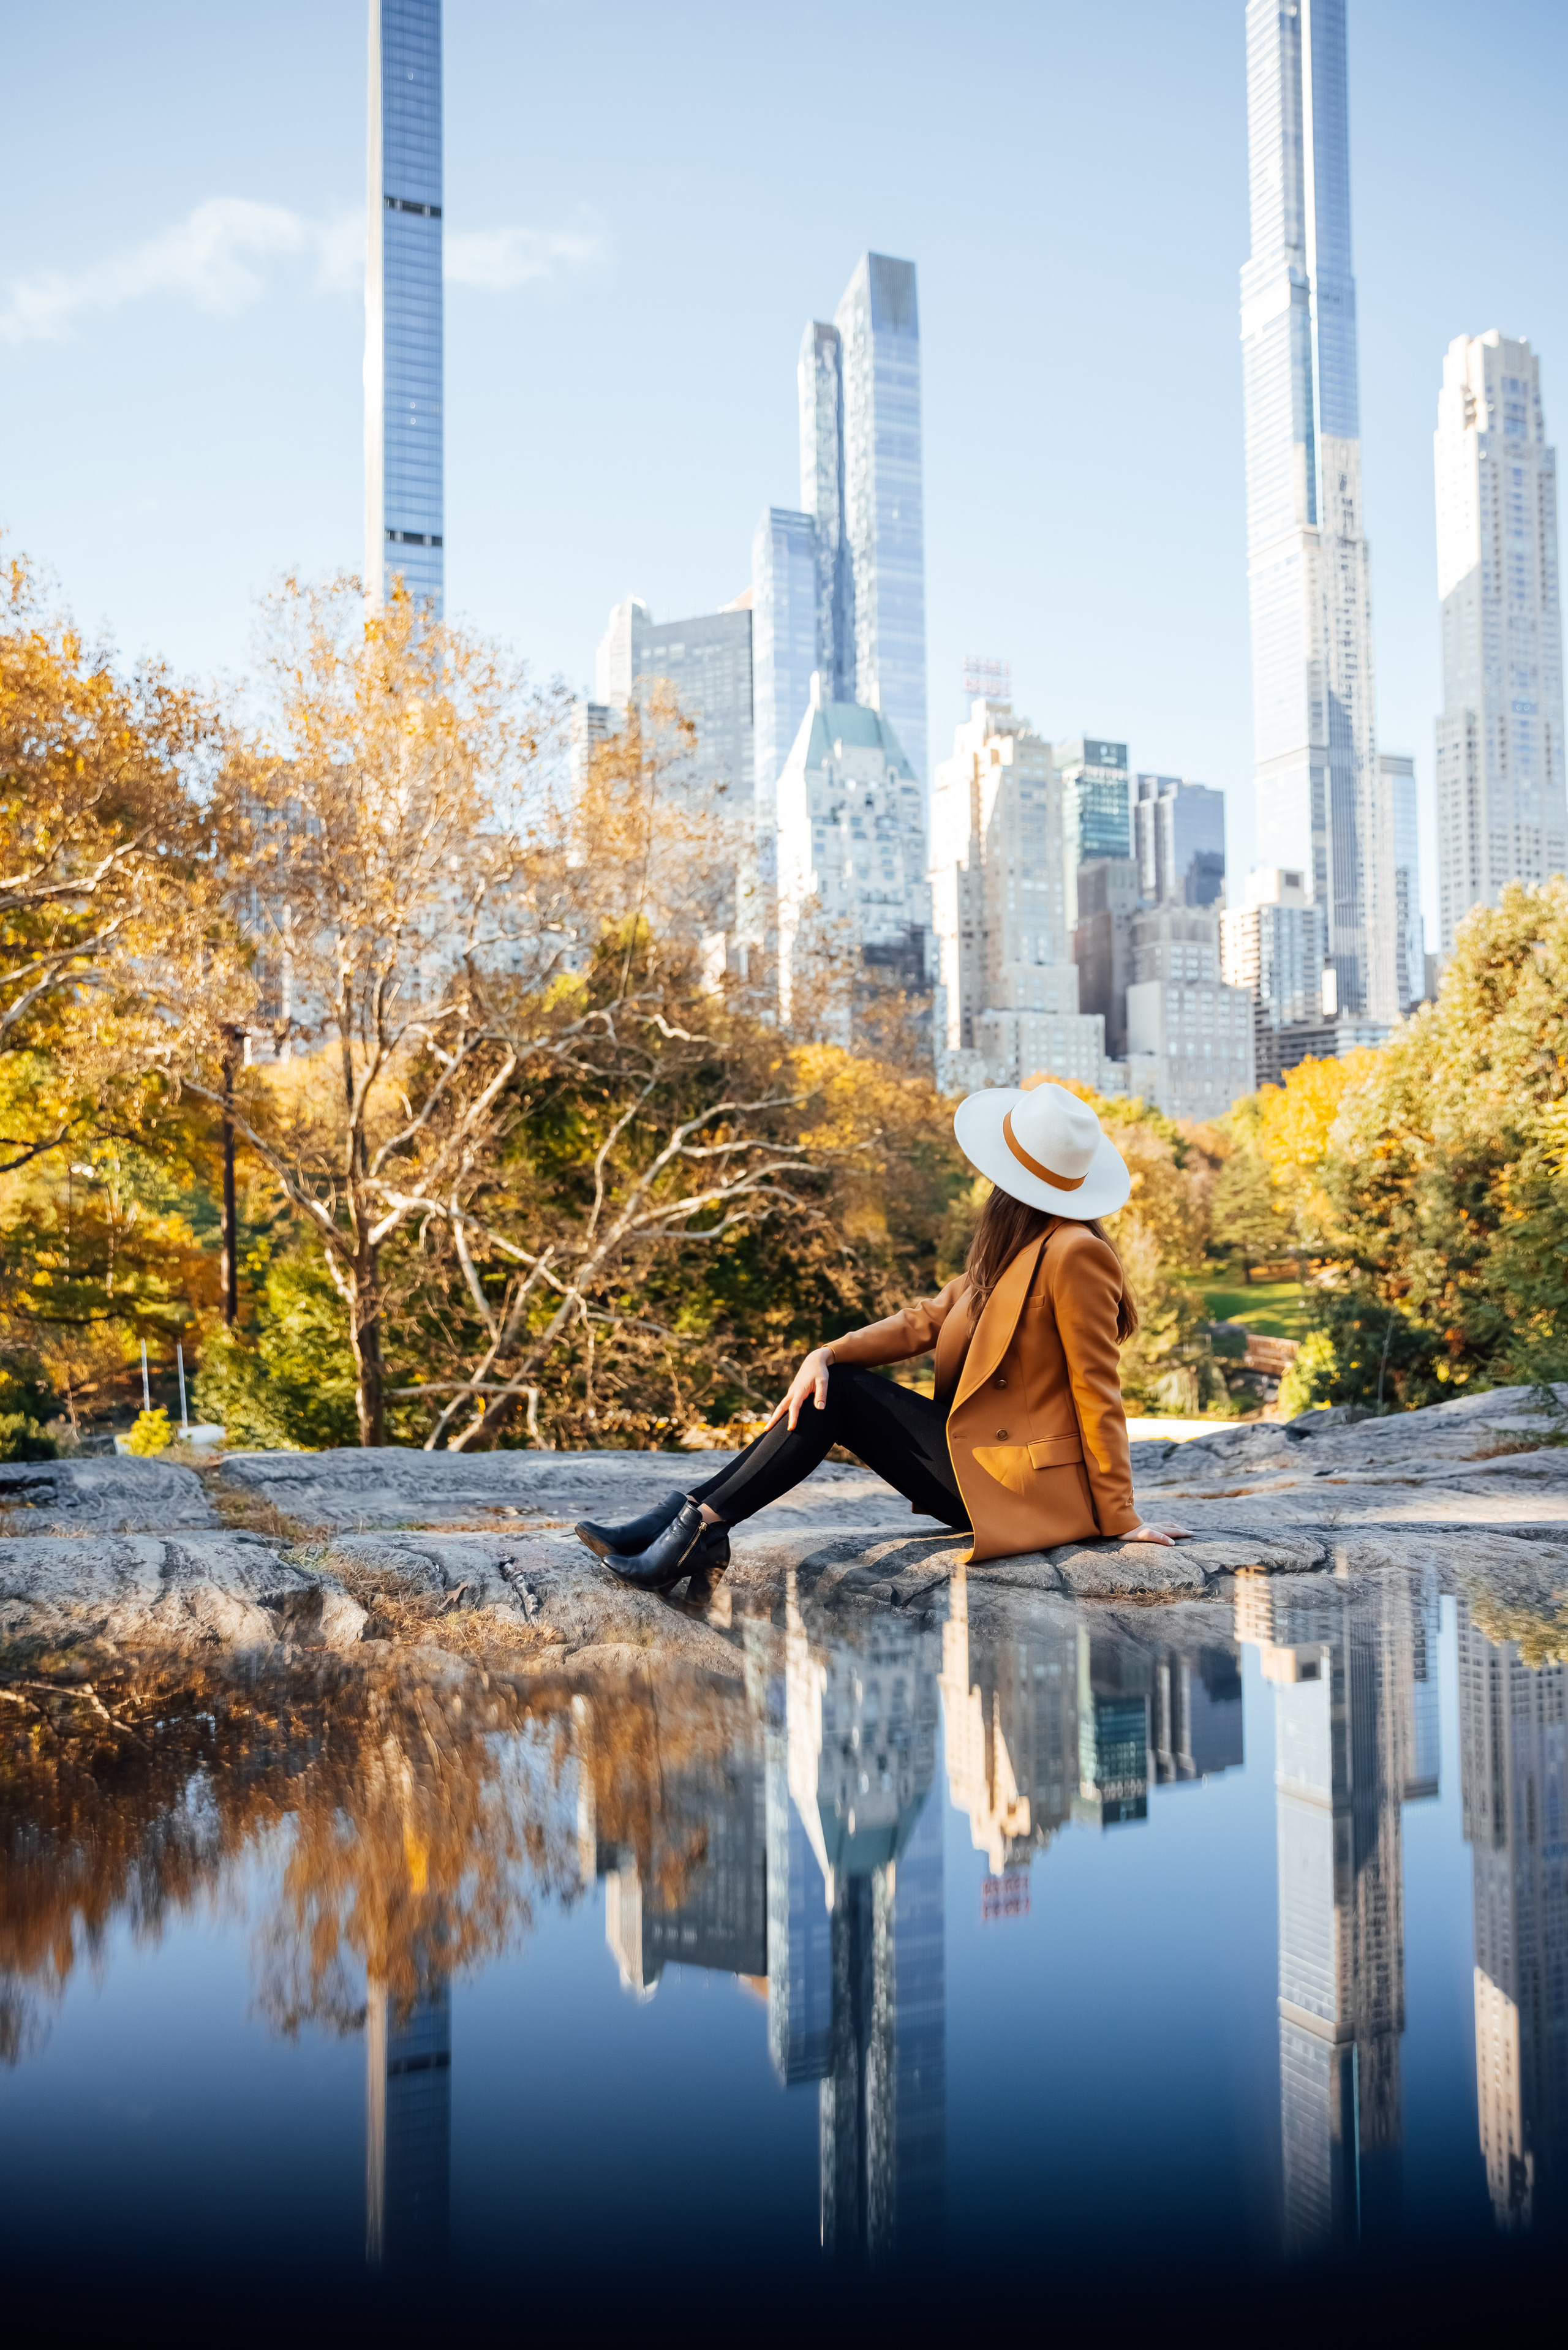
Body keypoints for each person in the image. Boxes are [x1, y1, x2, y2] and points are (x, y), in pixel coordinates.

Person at [575, 1081, 1192, 1589]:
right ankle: (684, 1522)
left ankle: (696, 1529)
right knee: (832, 1381)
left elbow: (1097, 1391)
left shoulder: (1077, 1253)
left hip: (1022, 1486)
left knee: (839, 1394)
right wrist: (825, 1351)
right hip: (977, 1466)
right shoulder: (1015, 1247)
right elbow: (923, 1320)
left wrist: (1119, 1517)